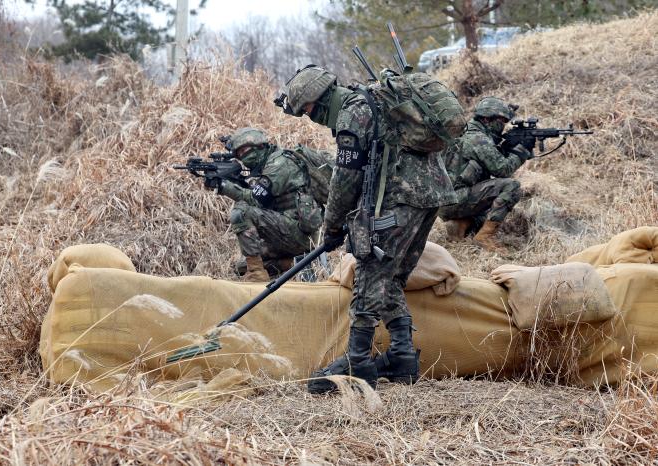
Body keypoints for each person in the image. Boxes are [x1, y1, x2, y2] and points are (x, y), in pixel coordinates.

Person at [275, 65, 458, 393]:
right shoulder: (371, 101)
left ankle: (357, 363)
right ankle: (402, 356)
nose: (310, 118)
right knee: (391, 278)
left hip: (401, 198)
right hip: (430, 195)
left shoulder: (352, 116)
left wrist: (331, 227)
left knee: (370, 271)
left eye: (307, 112)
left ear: (317, 103)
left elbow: (345, 180)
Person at [206, 127, 323, 281]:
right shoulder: (268, 163)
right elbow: (263, 201)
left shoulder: (279, 164)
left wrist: (224, 186)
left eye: (245, 151)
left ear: (260, 146)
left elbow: (255, 199)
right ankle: (290, 264)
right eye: (239, 154)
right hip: (290, 232)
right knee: (241, 267)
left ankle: (257, 276)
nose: (243, 157)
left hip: (300, 235)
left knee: (242, 212)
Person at [438, 97, 534, 252]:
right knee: (512, 187)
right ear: (487, 119)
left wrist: (506, 148)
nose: (503, 126)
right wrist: (522, 151)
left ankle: (459, 224)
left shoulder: (467, 131)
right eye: (501, 121)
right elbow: (503, 170)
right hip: (455, 199)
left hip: (444, 201)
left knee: (484, 217)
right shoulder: (479, 140)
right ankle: (485, 237)